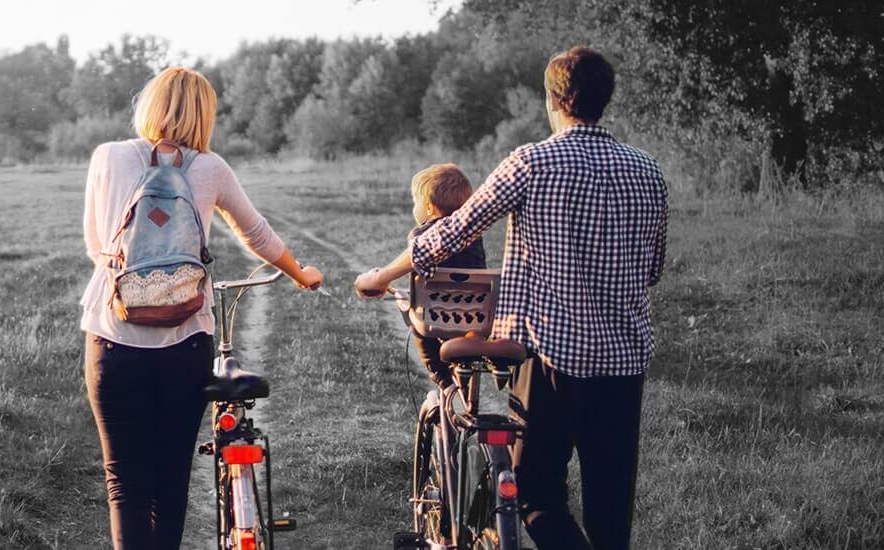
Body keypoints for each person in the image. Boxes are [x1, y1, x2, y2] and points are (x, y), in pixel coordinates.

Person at [355, 47, 667, 549]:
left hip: (550, 359)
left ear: (553, 99)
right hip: (624, 362)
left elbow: (451, 232)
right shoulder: (647, 171)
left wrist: (382, 274)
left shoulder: (531, 162)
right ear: (604, 99)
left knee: (538, 498)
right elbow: (651, 269)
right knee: (611, 512)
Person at [80, 66, 324, 550]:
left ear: (149, 106)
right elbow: (256, 234)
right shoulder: (209, 167)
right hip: (185, 342)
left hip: (114, 337)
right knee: (170, 485)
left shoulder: (106, 157)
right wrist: (301, 274)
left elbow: (95, 245)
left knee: (125, 485)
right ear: (203, 114)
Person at [354, 163, 486, 390]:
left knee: (415, 316)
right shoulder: (474, 236)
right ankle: (467, 381)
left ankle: (440, 375)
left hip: (436, 313)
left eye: (416, 202)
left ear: (428, 206)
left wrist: (382, 280)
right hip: (474, 313)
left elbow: (418, 267)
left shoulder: (421, 235)